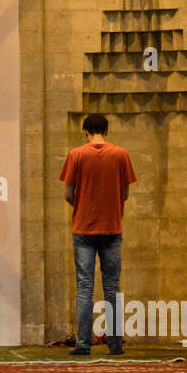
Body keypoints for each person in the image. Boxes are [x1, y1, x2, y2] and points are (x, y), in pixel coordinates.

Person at [60, 113, 137, 355]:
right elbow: (124, 193)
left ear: (85, 131)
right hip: (112, 228)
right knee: (112, 287)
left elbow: (68, 194)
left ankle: (83, 345)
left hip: (83, 228)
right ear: (107, 130)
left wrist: (82, 207)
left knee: (84, 288)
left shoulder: (76, 155)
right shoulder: (121, 154)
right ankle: (115, 345)